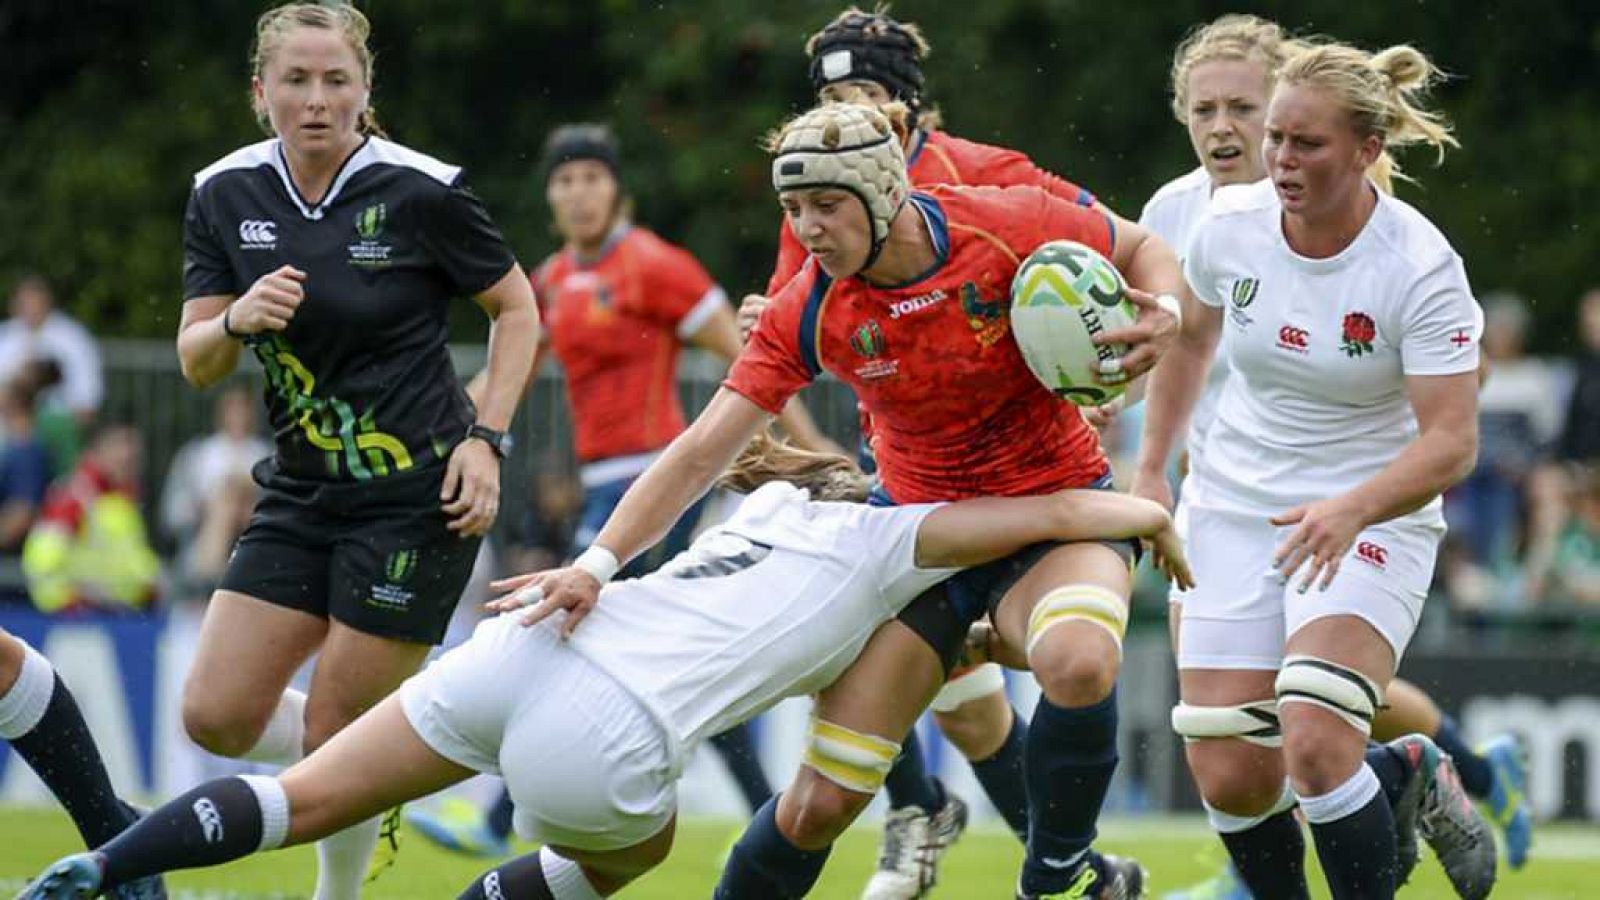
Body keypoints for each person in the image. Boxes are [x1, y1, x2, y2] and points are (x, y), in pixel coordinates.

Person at [17, 435, 1192, 900]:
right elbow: (1036, 511)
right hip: (609, 725)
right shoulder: (889, 542)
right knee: (632, 849)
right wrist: (1144, 512)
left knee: (300, 793)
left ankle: (106, 865)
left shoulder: (763, 509)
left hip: (525, 644)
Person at [516, 100, 1182, 900]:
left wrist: (1165, 311)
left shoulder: (1004, 226)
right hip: (917, 546)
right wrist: (595, 564)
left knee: (1076, 660)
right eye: (792, 211)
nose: (808, 230)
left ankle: (1057, 881)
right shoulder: (813, 304)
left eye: (826, 206)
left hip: (1063, 511)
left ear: (885, 195)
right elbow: (700, 450)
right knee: (819, 805)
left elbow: (1142, 248)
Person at [1138, 18, 1531, 898]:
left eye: (1302, 142)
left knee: (1314, 740)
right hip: (1234, 510)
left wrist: (1352, 508)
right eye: (1274, 135)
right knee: (1231, 772)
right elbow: (1191, 345)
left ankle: (1398, 777)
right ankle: (1407, 775)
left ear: (1365, 149)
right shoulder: (1227, 226)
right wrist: (1150, 469)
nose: (1277, 158)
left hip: (1370, 512)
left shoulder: (1419, 268)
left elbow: (1451, 441)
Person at [170, 4, 538, 898]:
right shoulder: (222, 192)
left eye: (337, 80)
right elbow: (195, 361)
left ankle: (340, 887)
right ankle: (388, 765)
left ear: (366, 91)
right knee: (213, 717)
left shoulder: (423, 190)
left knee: (337, 726)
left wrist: (486, 440)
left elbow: (519, 312)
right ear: (261, 94)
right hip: (300, 493)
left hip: (418, 498)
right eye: (295, 80)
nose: (317, 100)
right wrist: (234, 317)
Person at [743, 12, 1108, 894]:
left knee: (1003, 689)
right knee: (963, 713)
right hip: (910, 494)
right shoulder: (819, 191)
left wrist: (1131, 326)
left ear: (905, 110)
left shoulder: (988, 181)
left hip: (1026, 484)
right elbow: (792, 333)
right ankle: (947, 814)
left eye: (862, 94)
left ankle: (995, 839)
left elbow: (1113, 251)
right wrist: (820, 452)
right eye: (829, 98)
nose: (842, 114)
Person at [407, 122, 806, 857]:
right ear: (551, 196)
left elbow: (765, 356)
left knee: (562, 624)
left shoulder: (654, 265)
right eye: (565, 180)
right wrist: (441, 436)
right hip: (604, 490)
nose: (579, 192)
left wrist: (813, 450)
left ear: (615, 190)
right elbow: (511, 372)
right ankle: (769, 817)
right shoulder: (552, 281)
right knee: (657, 656)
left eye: (592, 177)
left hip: (661, 485)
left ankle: (497, 822)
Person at [22, 423, 159, 615]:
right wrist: (69, 603)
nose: (128, 464)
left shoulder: (123, 501)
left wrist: (150, 588)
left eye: (133, 460)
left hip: (122, 615)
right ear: (96, 454)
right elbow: (42, 560)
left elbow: (133, 558)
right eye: (121, 459)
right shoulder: (74, 497)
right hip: (81, 622)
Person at [159, 386, 271, 598]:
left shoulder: (264, 453)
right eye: (233, 410)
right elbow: (178, 508)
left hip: (252, 519)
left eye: (243, 410)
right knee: (226, 503)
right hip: (209, 518)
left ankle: (208, 574)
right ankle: (215, 572)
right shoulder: (201, 453)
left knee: (237, 497)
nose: (239, 417)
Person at [0, 275, 104, 430]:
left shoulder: (72, 336)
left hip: (60, 419)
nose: (30, 309)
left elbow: (87, 388)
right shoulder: (7, 334)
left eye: (34, 303)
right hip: (11, 424)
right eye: (24, 303)